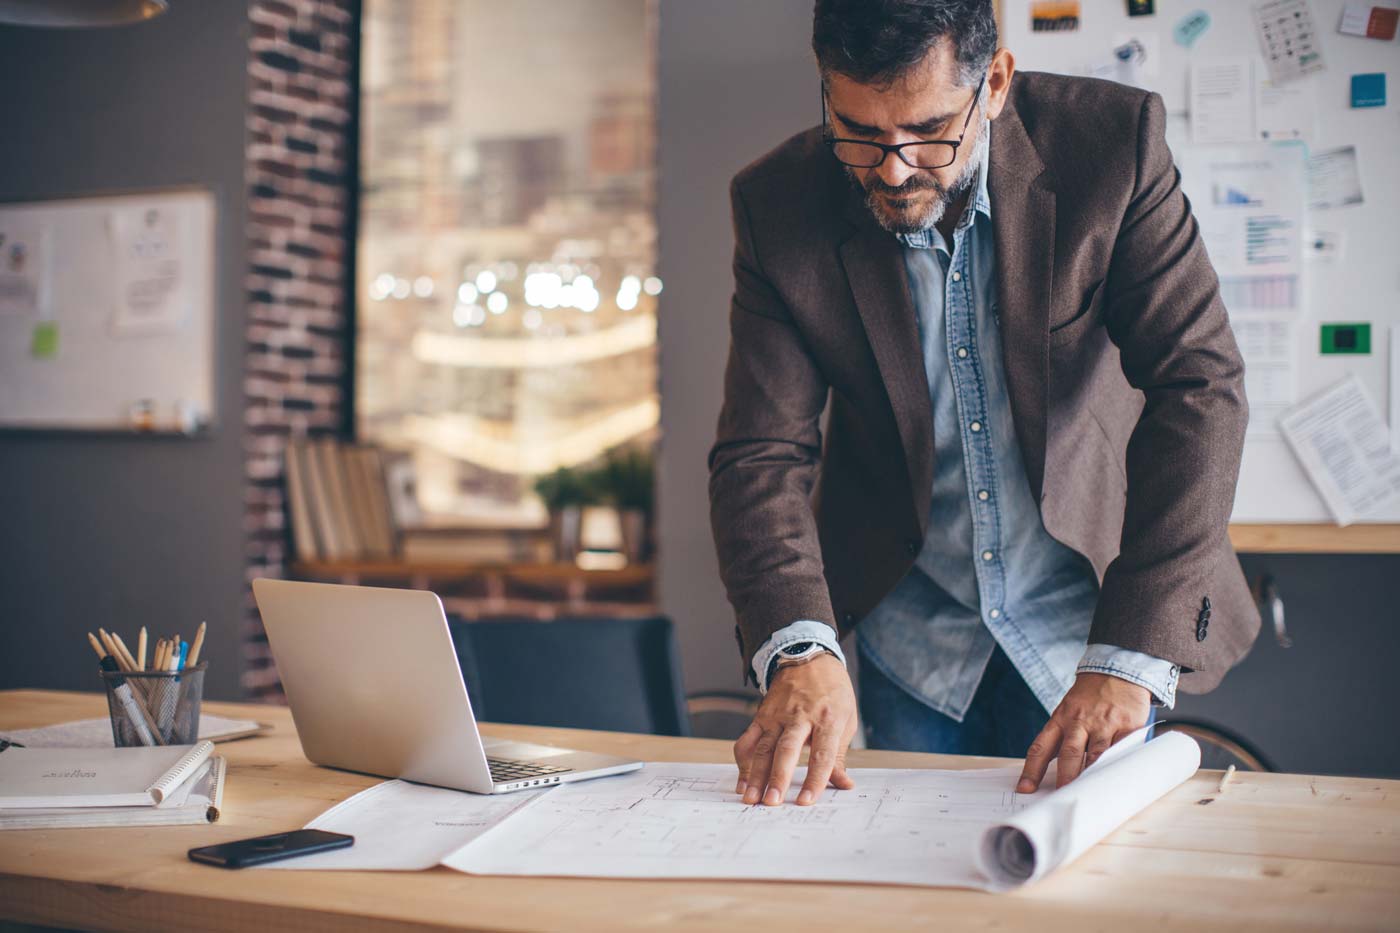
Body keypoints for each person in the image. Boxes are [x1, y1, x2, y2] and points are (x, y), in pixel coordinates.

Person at [709, 0, 1259, 808]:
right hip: (914, 635)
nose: (892, 170)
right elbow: (761, 453)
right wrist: (797, 647)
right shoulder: (777, 204)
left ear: (995, 81)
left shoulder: (1111, 147)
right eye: (860, 131)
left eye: (928, 130)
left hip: (1091, 620)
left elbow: (1200, 384)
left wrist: (1130, 656)